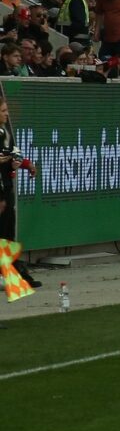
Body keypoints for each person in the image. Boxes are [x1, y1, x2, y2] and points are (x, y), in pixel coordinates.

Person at [0, 98, 40, 289]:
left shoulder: (5, 131)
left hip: (6, 187)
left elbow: (12, 153)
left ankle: (10, 274)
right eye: (3, 111)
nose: (7, 114)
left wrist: (23, 164)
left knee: (7, 234)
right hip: (2, 189)